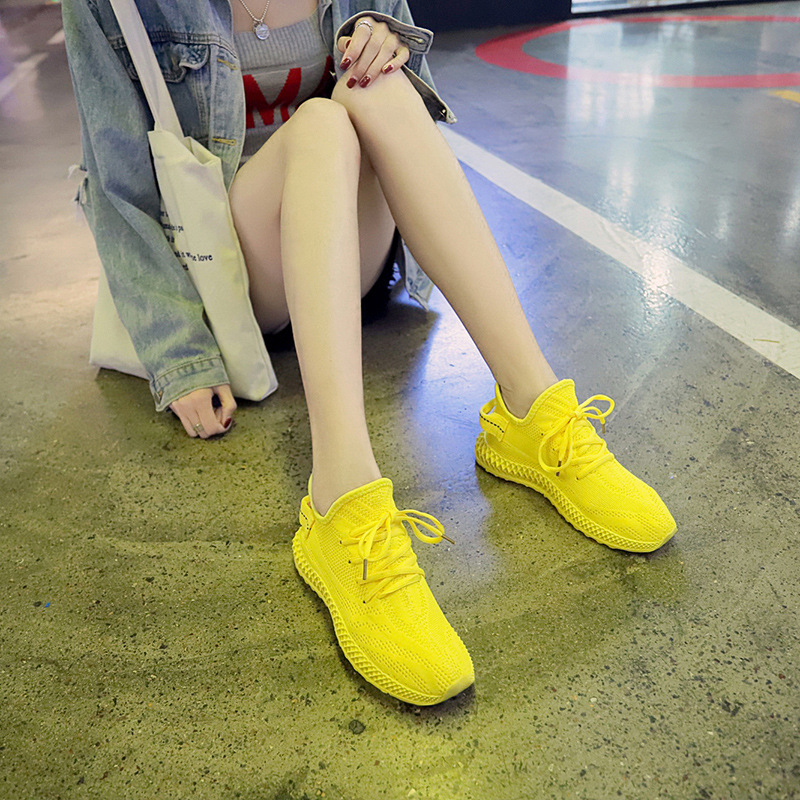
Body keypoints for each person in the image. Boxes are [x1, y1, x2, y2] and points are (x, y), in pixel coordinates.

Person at [62, 0, 677, 707]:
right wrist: (181, 355)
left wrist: (388, 44)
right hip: (236, 270)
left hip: (348, 245)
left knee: (378, 83)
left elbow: (413, 119)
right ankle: (342, 496)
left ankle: (531, 408)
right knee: (319, 124)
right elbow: (117, 186)